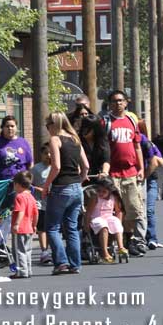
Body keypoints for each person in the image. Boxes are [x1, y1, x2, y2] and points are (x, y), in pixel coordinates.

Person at [41, 111, 89, 275]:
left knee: (52, 227)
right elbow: (86, 166)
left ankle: (61, 262)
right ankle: (75, 264)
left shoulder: (55, 140)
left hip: (61, 187)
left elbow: (56, 166)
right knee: (72, 227)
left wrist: (47, 186)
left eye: (48, 125)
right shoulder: (75, 139)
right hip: (76, 187)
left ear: (54, 124)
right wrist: (80, 180)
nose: (47, 128)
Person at [104, 90, 145, 256]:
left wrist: (141, 168)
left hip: (130, 173)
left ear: (126, 103)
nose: (118, 104)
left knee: (132, 210)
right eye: (114, 101)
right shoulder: (106, 122)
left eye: (121, 101)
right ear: (110, 104)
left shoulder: (131, 121)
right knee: (114, 211)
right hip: (113, 174)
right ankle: (115, 243)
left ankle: (129, 240)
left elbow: (137, 146)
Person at [138, 120, 163, 250]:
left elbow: (159, 161)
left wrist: (145, 174)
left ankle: (152, 238)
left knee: (149, 210)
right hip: (134, 179)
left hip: (149, 180)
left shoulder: (148, 144)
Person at [87, 178, 126, 263]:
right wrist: (86, 225)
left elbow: (118, 211)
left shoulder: (113, 197)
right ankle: (104, 252)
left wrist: (119, 222)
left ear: (109, 191)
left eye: (104, 191)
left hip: (109, 217)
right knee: (103, 226)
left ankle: (120, 247)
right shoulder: (95, 198)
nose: (100, 193)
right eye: (99, 191)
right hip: (96, 218)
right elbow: (89, 212)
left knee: (116, 223)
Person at [0, 115, 33, 181]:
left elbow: (30, 163)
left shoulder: (23, 142)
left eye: (12, 126)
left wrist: (29, 178)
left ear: (16, 128)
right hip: (1, 182)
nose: (10, 128)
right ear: (2, 128)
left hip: (21, 182)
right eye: (7, 126)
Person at [9, 171, 39, 279]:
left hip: (20, 229)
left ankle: (21, 271)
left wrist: (16, 224)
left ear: (17, 184)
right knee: (27, 251)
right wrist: (34, 225)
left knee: (18, 251)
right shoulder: (31, 197)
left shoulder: (19, 197)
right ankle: (28, 269)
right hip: (29, 228)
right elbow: (36, 213)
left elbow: (20, 211)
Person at [30, 143, 52, 265]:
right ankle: (44, 251)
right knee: (42, 227)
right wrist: (38, 189)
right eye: (45, 153)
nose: (48, 156)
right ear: (41, 155)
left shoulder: (56, 167)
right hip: (40, 202)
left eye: (50, 153)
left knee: (51, 228)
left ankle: (52, 249)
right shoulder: (36, 169)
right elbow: (29, 184)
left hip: (53, 201)